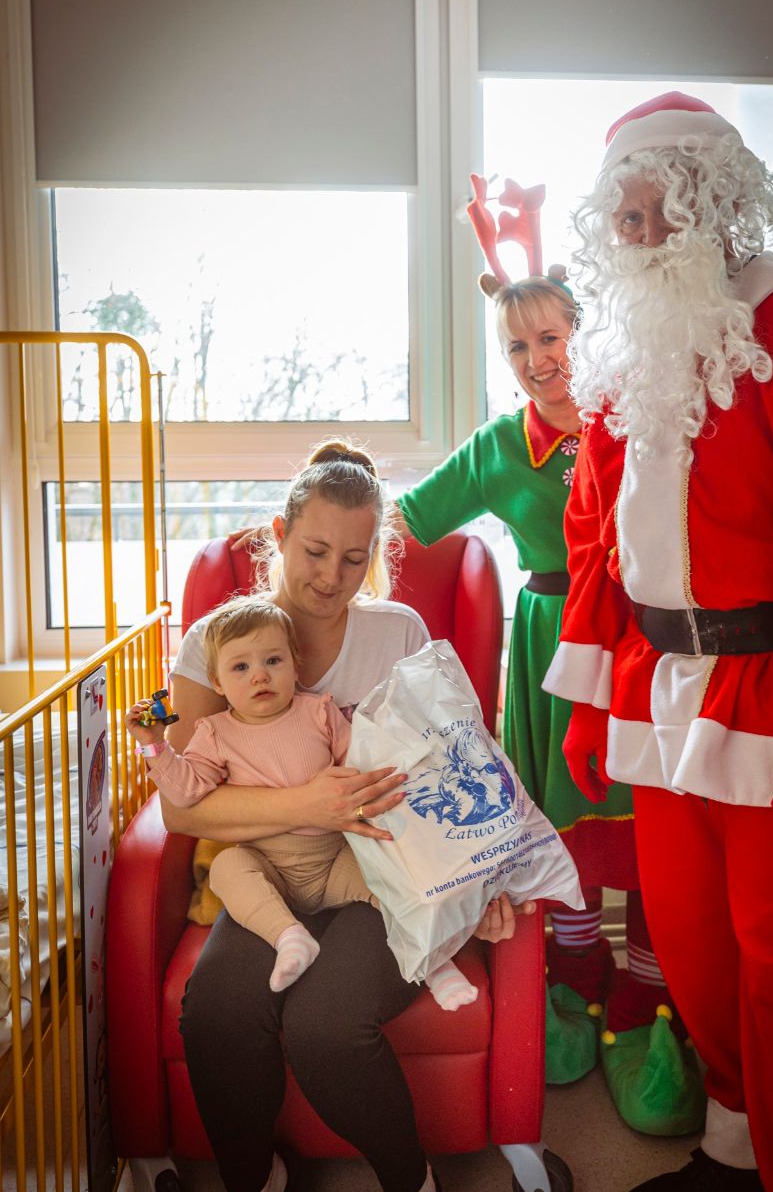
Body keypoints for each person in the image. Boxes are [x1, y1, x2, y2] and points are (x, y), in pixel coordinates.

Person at [544, 92, 773, 1192]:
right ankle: (733, 1152)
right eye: (619, 222)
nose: (635, 239)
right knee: (690, 949)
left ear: (713, 203)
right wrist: (591, 697)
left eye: (654, 214)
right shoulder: (625, 353)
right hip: (656, 689)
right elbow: (592, 541)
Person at [394, 179, 704, 1137]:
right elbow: (403, 524)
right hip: (545, 645)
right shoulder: (499, 446)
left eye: (552, 339)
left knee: (655, 823)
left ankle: (649, 997)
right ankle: (573, 974)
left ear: (586, 332)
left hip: (643, 640)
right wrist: (302, 545)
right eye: (517, 347)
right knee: (563, 820)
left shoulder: (641, 420)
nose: (537, 362)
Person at [164, 438, 532, 1192]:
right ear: (278, 535)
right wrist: (305, 803)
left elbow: (459, 762)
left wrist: (489, 874)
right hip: (268, 875)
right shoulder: (218, 643)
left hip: (382, 874)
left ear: (377, 557)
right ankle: (256, 1177)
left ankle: (410, 1180)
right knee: (218, 1014)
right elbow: (181, 810)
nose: (333, 577)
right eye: (316, 551)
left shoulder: (397, 632)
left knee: (326, 1027)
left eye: (355, 558)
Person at [126, 594, 476, 1008]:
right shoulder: (213, 733)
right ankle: (289, 937)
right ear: (217, 683)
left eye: (273, 662)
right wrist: (155, 748)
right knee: (226, 867)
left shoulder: (320, 712)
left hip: (338, 857)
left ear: (296, 665)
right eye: (241, 667)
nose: (260, 676)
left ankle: (437, 964)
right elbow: (186, 792)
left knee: (394, 879)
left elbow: (362, 762)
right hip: (269, 865)